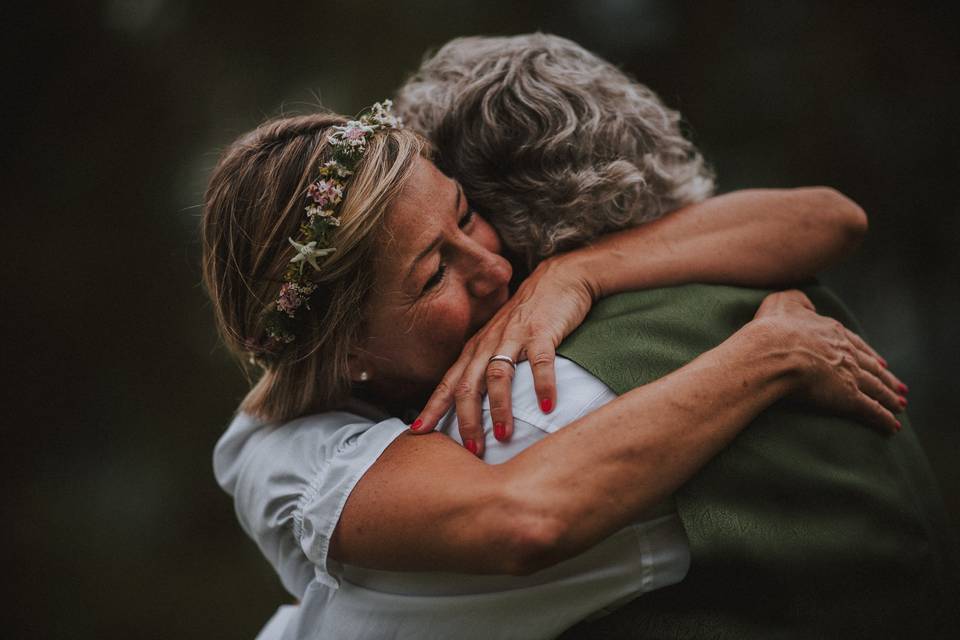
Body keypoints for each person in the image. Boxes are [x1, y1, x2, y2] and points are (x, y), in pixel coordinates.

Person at [204, 102, 906, 639]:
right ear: (344, 350)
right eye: (432, 275)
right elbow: (527, 518)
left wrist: (579, 273)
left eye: (465, 216)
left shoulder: (526, 280)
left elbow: (830, 218)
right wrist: (770, 352)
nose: (495, 266)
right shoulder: (285, 454)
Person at [393, 34, 960, 638]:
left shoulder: (538, 402)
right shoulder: (756, 269)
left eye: (459, 215)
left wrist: (575, 271)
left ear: (490, 211)